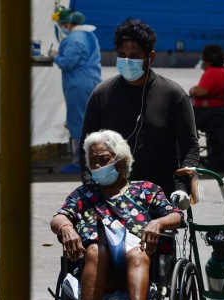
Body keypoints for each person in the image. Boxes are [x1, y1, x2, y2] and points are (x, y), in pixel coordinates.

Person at [50, 130, 183, 300]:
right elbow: (59, 216)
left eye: (103, 159)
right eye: (92, 161)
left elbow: (175, 215)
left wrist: (157, 223)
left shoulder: (145, 190)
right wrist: (66, 227)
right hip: (96, 270)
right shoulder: (85, 194)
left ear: (120, 161)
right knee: (94, 249)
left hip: (138, 267)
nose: (97, 166)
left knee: (137, 250)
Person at [81, 19, 199, 209]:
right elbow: (85, 145)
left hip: (160, 196)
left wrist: (182, 187)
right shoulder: (102, 94)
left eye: (134, 56)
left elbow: (190, 146)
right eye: (121, 55)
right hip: (110, 195)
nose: (127, 60)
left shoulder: (172, 94)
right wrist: (89, 182)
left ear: (150, 57)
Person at [49, 6, 101, 174]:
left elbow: (67, 62)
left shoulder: (73, 39)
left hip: (78, 84)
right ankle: (94, 158)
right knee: (92, 120)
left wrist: (55, 56)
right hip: (92, 81)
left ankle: (80, 161)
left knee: (78, 121)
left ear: (66, 23)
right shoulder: (90, 35)